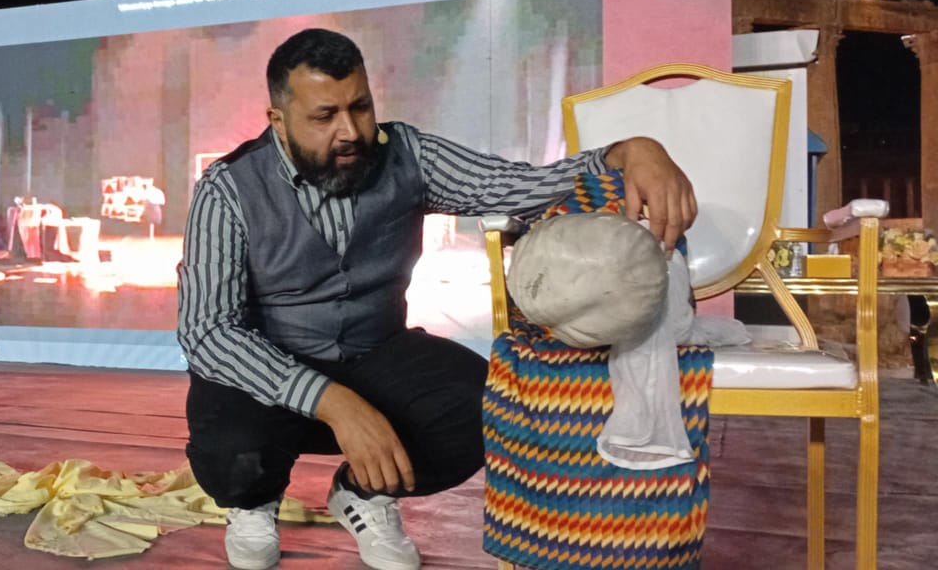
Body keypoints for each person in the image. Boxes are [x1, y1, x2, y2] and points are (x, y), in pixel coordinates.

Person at [176, 28, 696, 570]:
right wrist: (335, 403)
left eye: (360, 107)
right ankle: (253, 503)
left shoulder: (408, 154)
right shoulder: (228, 188)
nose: (350, 131)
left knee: (482, 406)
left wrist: (630, 152)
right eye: (324, 116)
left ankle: (363, 494)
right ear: (278, 120)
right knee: (232, 446)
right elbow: (207, 332)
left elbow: (518, 186)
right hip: (271, 370)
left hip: (374, 351)